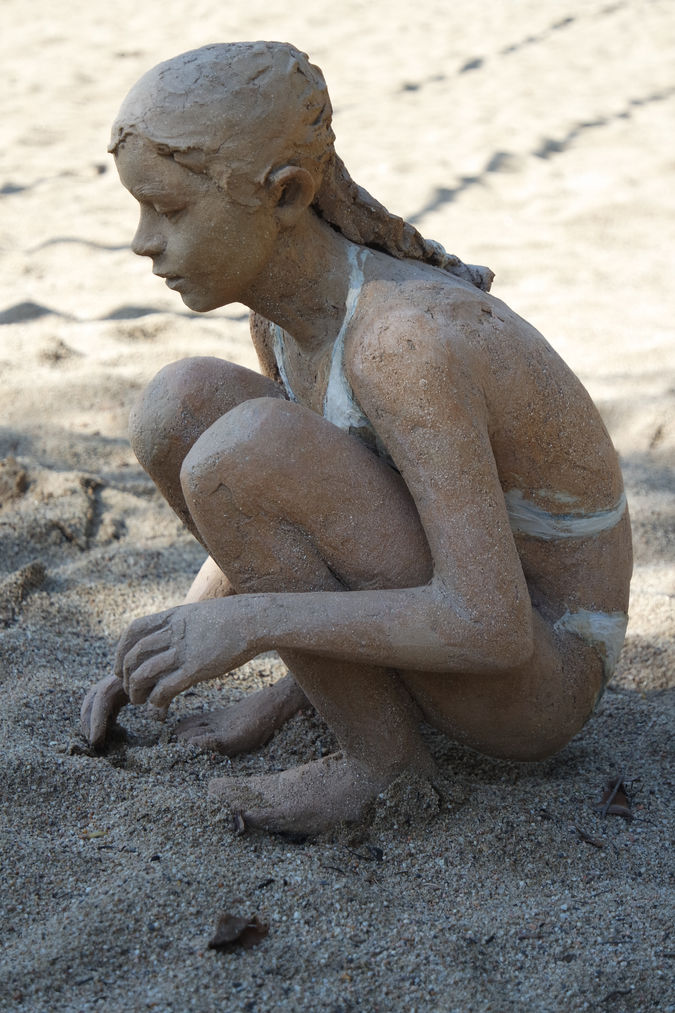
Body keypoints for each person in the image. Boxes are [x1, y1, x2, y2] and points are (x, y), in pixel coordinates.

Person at [80, 42, 632, 834]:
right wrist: (164, 644)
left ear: (285, 195)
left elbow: (492, 625)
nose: (142, 242)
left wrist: (248, 624)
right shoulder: (280, 313)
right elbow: (277, 504)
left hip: (536, 680)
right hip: (457, 608)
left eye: (169, 210)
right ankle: (325, 699)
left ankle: (381, 765)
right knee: (179, 405)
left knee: (245, 447)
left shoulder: (398, 345)